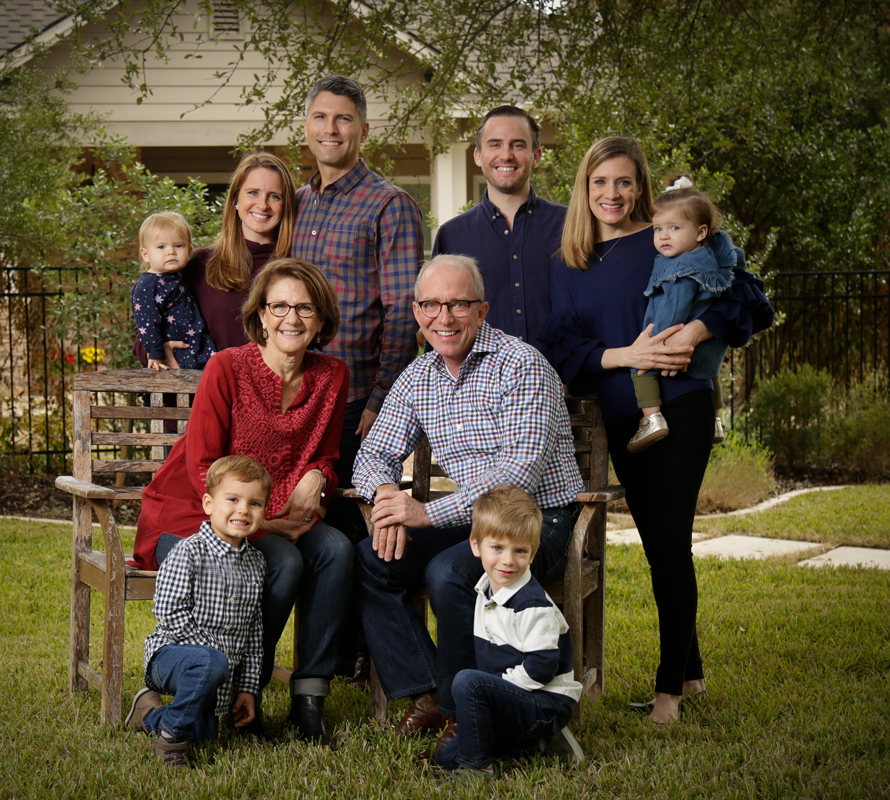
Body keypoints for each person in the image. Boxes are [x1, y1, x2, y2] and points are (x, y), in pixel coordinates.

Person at [539, 136, 774, 724]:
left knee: (669, 543)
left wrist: (696, 332)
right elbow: (563, 345)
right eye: (600, 182)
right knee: (655, 542)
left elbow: (744, 292)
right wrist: (619, 355)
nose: (612, 194)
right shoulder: (568, 263)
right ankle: (689, 673)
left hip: (682, 402)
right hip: (625, 411)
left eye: (624, 182)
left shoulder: (668, 237)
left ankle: (668, 692)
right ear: (583, 189)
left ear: (641, 188)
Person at [352, 254, 584, 753]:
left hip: (535, 522)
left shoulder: (522, 365)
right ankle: (428, 693)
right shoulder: (419, 377)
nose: (445, 317)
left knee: (448, 572)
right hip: (472, 520)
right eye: (432, 305)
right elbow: (373, 453)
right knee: (371, 558)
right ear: (417, 312)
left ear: (482, 310)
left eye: (458, 304)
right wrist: (386, 494)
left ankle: (466, 714)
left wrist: (425, 513)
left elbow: (518, 475)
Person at [132, 258, 353, 746]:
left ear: (321, 320)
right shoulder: (226, 366)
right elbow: (200, 468)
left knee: (337, 549)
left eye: (305, 308)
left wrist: (320, 473)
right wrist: (263, 527)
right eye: (279, 306)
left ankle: (308, 701)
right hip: (200, 513)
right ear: (261, 313)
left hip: (272, 517)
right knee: (285, 562)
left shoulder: (332, 375)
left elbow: (329, 455)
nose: (291, 318)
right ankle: (231, 689)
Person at [292, 74, 424, 489]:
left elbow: (403, 312)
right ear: (307, 126)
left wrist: (381, 402)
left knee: (347, 520)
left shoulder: (389, 204)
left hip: (354, 399)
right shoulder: (296, 203)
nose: (330, 130)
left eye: (343, 119)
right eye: (320, 117)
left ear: (363, 130)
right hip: (292, 392)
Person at [125, 455, 271, 768]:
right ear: (208, 503)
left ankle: (149, 714)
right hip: (171, 657)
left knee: (203, 737)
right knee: (209, 663)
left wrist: (246, 688)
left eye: (255, 503)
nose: (243, 509)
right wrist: (214, 656)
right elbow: (169, 612)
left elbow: (254, 633)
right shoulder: (189, 552)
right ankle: (171, 739)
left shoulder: (257, 564)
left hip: (219, 674)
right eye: (232, 499)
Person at [433, 484, 584, 783]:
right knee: (446, 756)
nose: (507, 560)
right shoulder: (484, 591)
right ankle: (537, 742)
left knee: (467, 681)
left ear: (533, 552)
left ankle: (480, 768)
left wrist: (493, 690)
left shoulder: (531, 604)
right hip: (513, 699)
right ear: (476, 546)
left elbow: (542, 668)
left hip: (543, 703)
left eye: (520, 551)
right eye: (497, 548)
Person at [133, 150, 298, 366]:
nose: (263, 205)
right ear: (235, 200)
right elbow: (145, 322)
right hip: (205, 393)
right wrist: (157, 350)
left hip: (273, 394)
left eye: (274, 196)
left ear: (286, 205)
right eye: (253, 193)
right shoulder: (198, 264)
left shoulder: (296, 269)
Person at [431, 106, 566, 350]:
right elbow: (440, 323)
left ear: (536, 156)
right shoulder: (452, 236)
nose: (506, 155)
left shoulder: (571, 226)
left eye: (518, 145)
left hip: (562, 384)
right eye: (494, 144)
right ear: (478, 156)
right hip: (480, 386)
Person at [629, 177, 742, 452]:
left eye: (674, 228)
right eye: (658, 229)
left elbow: (674, 309)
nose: (663, 236)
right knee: (711, 373)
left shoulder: (679, 269)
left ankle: (652, 419)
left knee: (639, 368)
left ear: (701, 232)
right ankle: (717, 420)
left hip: (673, 342)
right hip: (703, 355)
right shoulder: (706, 257)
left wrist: (659, 345)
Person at [131, 211, 216, 370]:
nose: (171, 251)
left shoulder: (178, 276)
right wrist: (155, 353)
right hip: (177, 352)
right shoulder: (148, 285)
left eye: (178, 245)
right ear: (146, 254)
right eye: (161, 246)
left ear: (189, 252)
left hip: (197, 345)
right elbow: (147, 321)